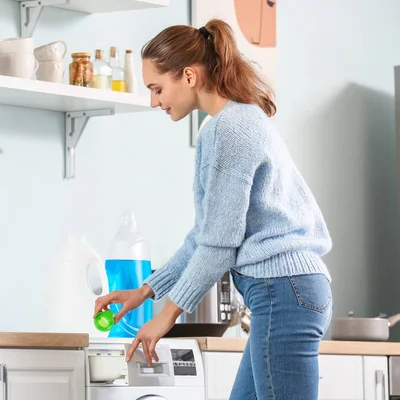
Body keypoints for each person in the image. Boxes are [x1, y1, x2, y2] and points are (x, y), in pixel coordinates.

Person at [94, 19, 333, 400]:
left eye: (157, 88)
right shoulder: (230, 123)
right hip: (287, 292)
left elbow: (219, 246)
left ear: (188, 76)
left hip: (282, 292)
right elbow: (205, 235)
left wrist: (165, 318)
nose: (154, 101)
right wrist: (145, 291)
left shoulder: (230, 129)